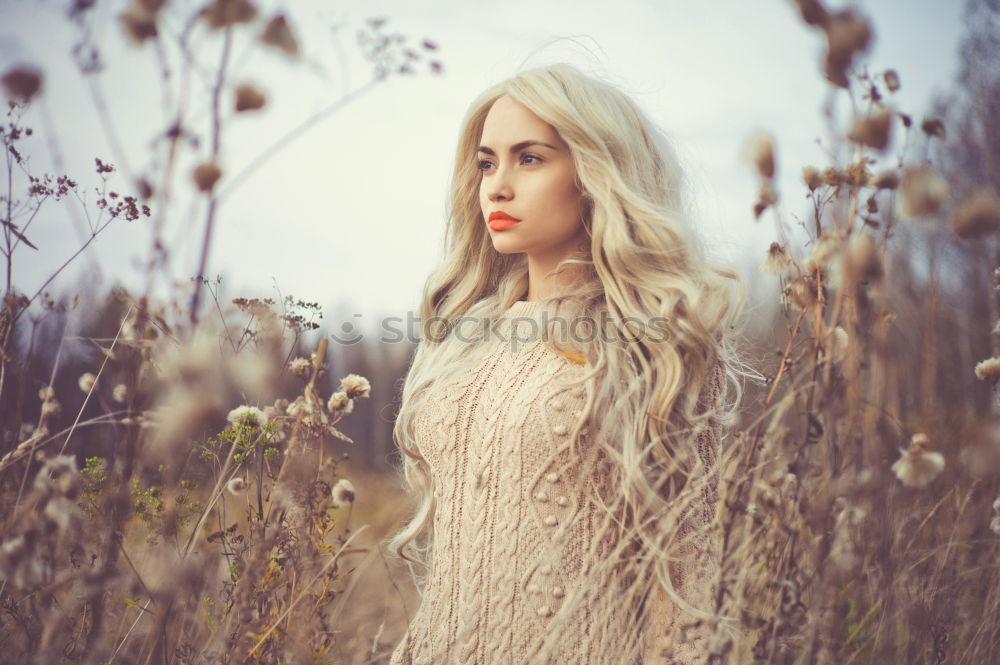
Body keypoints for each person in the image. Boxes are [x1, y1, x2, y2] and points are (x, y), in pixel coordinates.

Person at [386, 62, 745, 665]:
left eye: (529, 158)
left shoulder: (653, 344)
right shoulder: (463, 340)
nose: (497, 186)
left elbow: (688, 579)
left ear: (595, 172)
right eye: (486, 163)